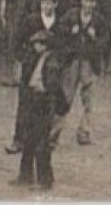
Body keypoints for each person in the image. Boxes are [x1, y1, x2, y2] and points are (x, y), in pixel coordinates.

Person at [14, 31, 65, 189]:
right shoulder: (40, 59)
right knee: (30, 140)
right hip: (35, 100)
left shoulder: (51, 62)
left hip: (42, 102)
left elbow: (52, 86)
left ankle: (44, 180)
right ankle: (26, 176)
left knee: (41, 142)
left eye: (38, 43)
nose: (35, 46)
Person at [58, 0, 108, 146]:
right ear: (81, 1)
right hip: (72, 61)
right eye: (86, 1)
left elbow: (105, 42)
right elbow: (59, 32)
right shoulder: (71, 15)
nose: (88, 4)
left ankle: (84, 132)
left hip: (89, 62)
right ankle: (53, 133)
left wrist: (95, 39)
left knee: (88, 99)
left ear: (95, 4)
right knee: (66, 97)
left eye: (91, 2)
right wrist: (69, 32)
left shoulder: (99, 20)